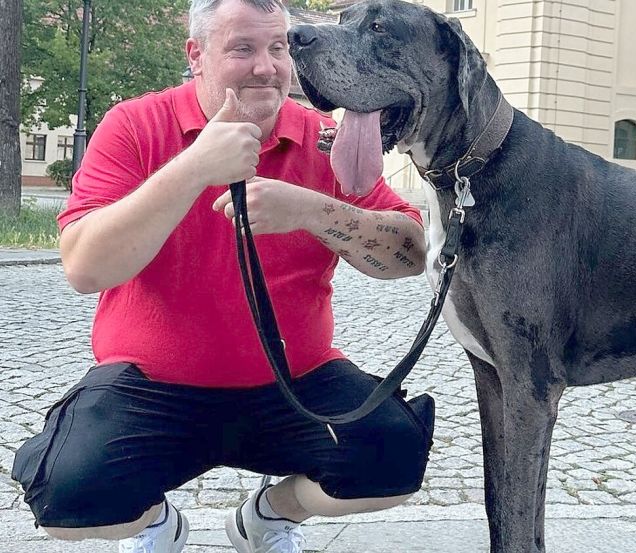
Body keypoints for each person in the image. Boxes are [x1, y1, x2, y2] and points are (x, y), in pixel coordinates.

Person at [11, 1, 435, 552]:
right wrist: (194, 168)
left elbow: (411, 255)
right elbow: (85, 268)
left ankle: (265, 517)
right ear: (196, 56)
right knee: (67, 500)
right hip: (150, 384)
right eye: (243, 49)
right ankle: (159, 523)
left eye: (279, 48)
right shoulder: (135, 125)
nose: (267, 67)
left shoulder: (322, 139)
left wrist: (314, 211)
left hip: (295, 383)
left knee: (395, 456)